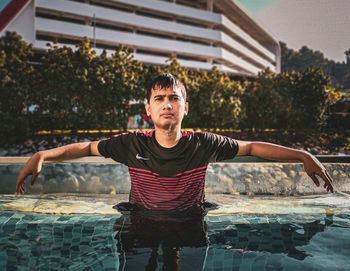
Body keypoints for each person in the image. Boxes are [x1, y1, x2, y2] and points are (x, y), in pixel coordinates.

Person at [15, 73, 334, 270]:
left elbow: (250, 147)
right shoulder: (129, 143)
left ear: (185, 108)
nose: (167, 104)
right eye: (159, 99)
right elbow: (86, 148)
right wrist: (43, 154)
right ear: (148, 111)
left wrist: (302, 154)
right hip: (139, 222)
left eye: (173, 98)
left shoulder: (203, 144)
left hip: (190, 223)